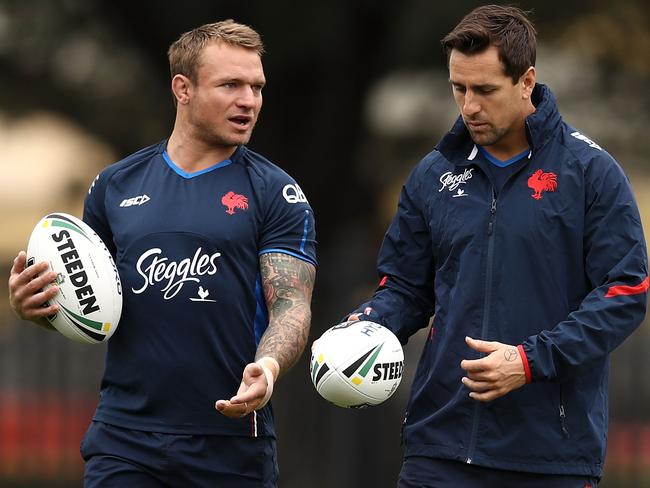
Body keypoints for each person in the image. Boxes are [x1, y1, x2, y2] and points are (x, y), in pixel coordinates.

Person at [344, 5, 647, 487]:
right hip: (437, 447)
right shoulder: (433, 174)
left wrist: (530, 361)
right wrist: (363, 330)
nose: (468, 107)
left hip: (550, 457)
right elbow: (404, 288)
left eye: (484, 90)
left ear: (526, 81)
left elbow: (626, 293)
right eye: (458, 89)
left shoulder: (591, 173)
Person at [8, 20, 316, 487]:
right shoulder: (115, 185)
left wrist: (268, 369)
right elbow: (88, 294)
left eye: (256, 87)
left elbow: (292, 306)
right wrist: (36, 307)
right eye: (230, 85)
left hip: (230, 441)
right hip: (125, 438)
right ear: (183, 88)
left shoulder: (276, 193)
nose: (249, 101)